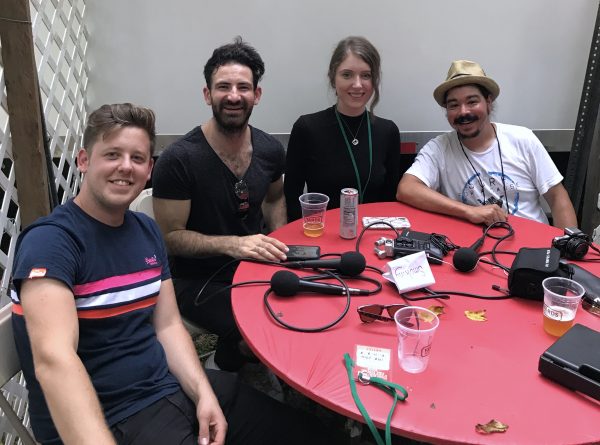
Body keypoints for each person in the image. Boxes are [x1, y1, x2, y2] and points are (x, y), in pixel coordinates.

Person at [10, 103, 332, 445]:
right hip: (113, 420)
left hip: (167, 390)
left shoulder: (145, 231)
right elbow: (53, 360)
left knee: (314, 437)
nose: (125, 167)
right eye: (112, 154)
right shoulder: (52, 241)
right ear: (84, 161)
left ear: (149, 169)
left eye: (137, 158)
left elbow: (168, 325)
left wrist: (202, 392)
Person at [152, 38, 288, 372]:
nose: (233, 95)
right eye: (223, 86)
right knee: (264, 324)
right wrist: (234, 245)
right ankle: (233, 361)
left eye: (243, 87)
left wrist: (282, 246)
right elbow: (170, 237)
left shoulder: (270, 149)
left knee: (300, 307)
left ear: (256, 95)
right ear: (207, 94)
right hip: (193, 280)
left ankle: (240, 357)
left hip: (251, 269)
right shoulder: (179, 159)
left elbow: (274, 199)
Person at [396, 59, 577, 228]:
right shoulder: (439, 149)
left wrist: (567, 252)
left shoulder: (522, 139)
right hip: (475, 252)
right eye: (453, 105)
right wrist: (469, 211)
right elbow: (406, 189)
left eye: (472, 101)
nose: (463, 112)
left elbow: (557, 198)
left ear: (489, 102)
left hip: (532, 249)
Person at [284, 36, 409, 222]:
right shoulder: (307, 129)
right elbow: (292, 199)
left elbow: (389, 200)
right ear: (333, 79)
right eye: (347, 75)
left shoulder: (388, 131)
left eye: (366, 75)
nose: (357, 84)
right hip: (321, 237)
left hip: (373, 239)